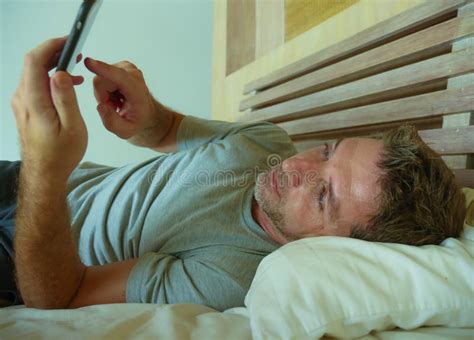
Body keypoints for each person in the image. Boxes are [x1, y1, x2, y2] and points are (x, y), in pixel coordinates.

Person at [0, 37, 466, 310]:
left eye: (323, 196)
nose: (298, 167)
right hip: (32, 178)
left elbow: (61, 296)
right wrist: (144, 114)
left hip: (24, 248)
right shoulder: (265, 142)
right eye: (327, 150)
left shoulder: (233, 276)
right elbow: (167, 130)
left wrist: (45, 171)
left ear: (337, 249)